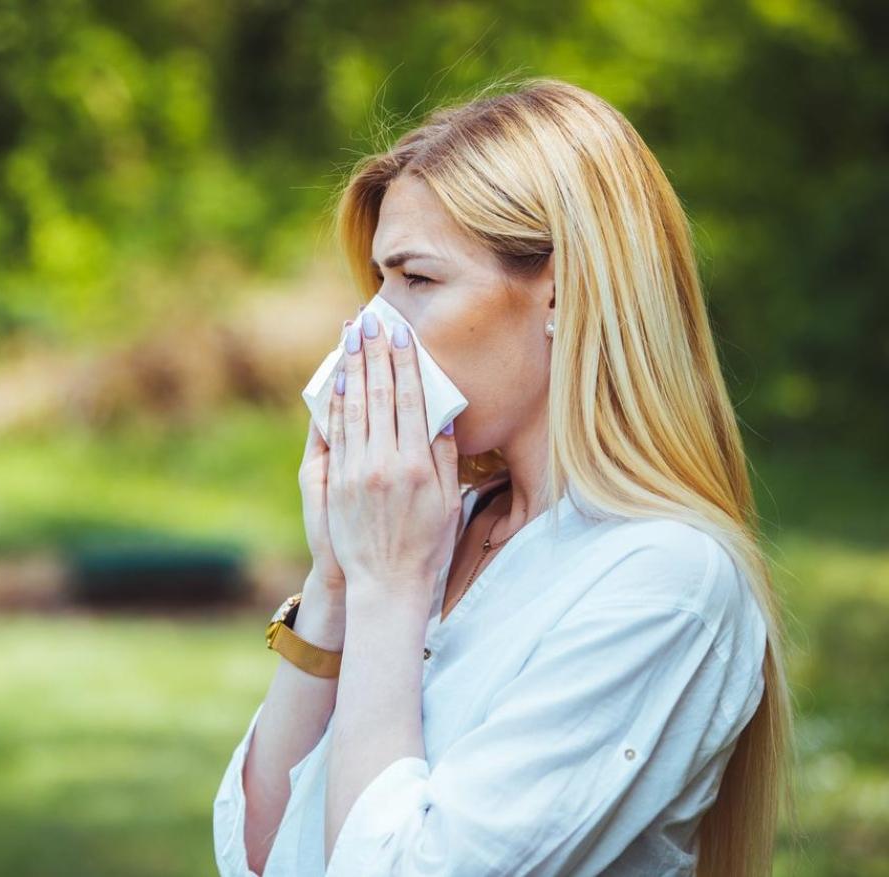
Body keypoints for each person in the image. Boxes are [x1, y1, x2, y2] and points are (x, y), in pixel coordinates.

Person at [213, 76, 794, 876]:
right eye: (378, 284)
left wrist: (387, 586)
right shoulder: (437, 525)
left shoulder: (664, 582)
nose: (369, 330)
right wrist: (337, 585)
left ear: (562, 289)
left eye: (418, 280)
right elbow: (254, 853)